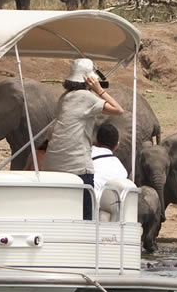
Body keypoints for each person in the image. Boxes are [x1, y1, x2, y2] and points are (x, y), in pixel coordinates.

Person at [41, 58, 123, 219]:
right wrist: (99, 90)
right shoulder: (86, 97)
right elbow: (118, 110)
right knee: (86, 214)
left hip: (52, 164)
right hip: (77, 166)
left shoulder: (64, 97)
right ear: (89, 79)